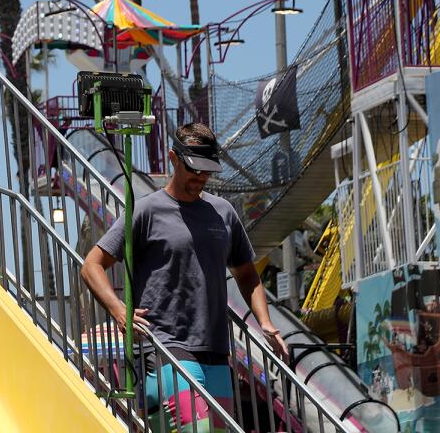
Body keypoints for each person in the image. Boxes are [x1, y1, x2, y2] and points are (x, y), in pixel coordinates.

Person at [81, 122, 290, 423]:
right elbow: (92, 264)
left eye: (207, 170)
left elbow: (247, 274)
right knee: (195, 428)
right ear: (173, 158)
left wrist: (266, 322)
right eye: (194, 169)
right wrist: (118, 309)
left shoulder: (223, 213)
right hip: (167, 344)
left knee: (217, 430)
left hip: (216, 348)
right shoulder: (146, 211)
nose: (201, 177)